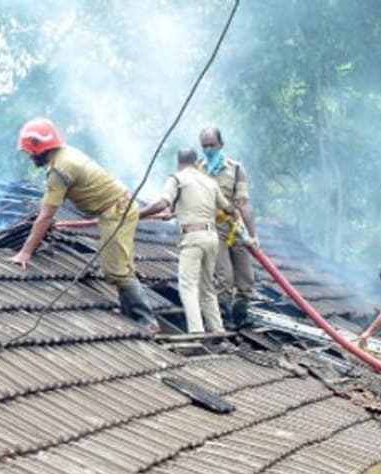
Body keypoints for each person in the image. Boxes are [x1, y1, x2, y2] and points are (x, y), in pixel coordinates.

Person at [12, 118, 160, 330]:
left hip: (115, 212)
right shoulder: (65, 154)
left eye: (30, 151)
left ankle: (147, 322)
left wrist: (25, 252)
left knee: (117, 270)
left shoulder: (60, 170)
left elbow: (45, 216)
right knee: (120, 266)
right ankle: (131, 315)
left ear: (39, 148)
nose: (29, 156)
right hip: (119, 208)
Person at [139, 148, 234, 334]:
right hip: (211, 238)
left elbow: (163, 203)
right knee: (207, 287)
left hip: (193, 238)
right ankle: (217, 330)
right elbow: (229, 209)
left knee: (188, 285)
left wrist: (138, 214)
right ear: (197, 162)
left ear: (179, 162)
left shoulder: (176, 178)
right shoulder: (210, 182)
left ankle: (197, 332)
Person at [198, 126, 260, 330]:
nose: (208, 149)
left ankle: (240, 317)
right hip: (213, 229)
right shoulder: (198, 170)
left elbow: (243, 203)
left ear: (221, 144)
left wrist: (252, 235)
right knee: (225, 278)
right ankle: (223, 321)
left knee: (246, 280)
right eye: (204, 146)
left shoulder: (235, 169)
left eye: (212, 145)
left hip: (236, 228)